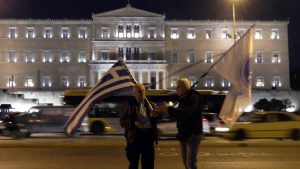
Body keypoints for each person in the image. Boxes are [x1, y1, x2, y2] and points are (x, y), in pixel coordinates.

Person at [159, 78, 203, 169]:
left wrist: (169, 109)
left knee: (190, 162)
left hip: (192, 134)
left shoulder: (193, 97)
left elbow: (185, 113)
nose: (176, 89)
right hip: (184, 134)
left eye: (178, 87)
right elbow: (178, 113)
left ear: (184, 87)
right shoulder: (183, 98)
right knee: (186, 161)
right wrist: (166, 110)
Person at [120, 84, 159, 169]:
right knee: (134, 164)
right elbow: (122, 122)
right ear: (133, 93)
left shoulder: (150, 104)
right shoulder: (129, 104)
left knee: (148, 163)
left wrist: (157, 115)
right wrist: (134, 123)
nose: (142, 93)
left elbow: (157, 119)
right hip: (135, 136)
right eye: (139, 92)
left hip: (148, 136)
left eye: (143, 91)